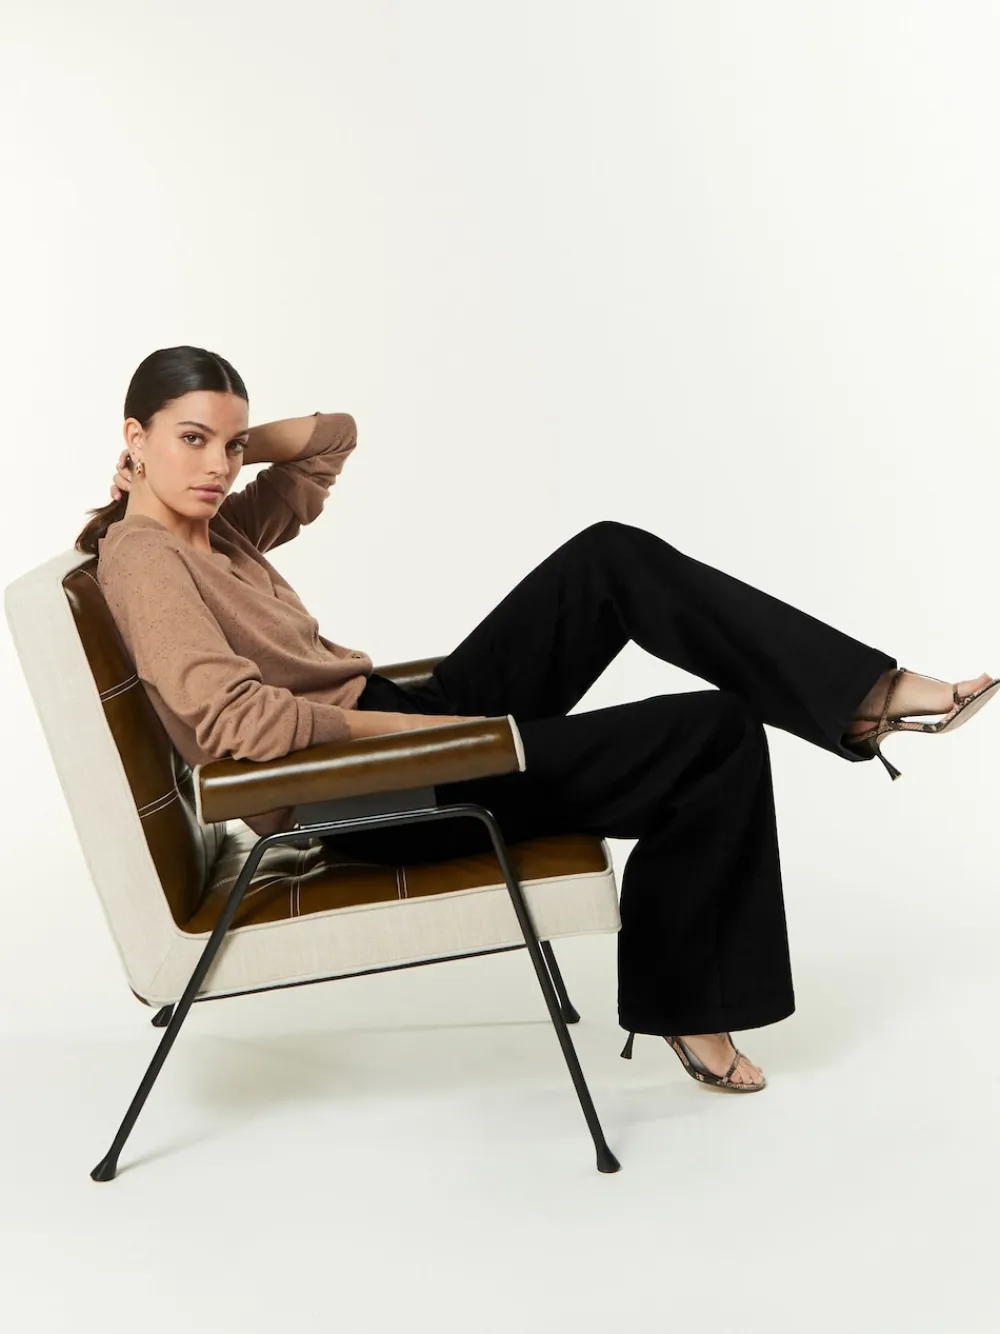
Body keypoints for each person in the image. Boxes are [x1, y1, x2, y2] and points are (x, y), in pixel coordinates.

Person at [77, 345, 999, 1095]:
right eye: (192, 440)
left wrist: (228, 443)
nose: (218, 466)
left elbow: (331, 440)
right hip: (370, 788)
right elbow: (240, 725)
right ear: (134, 436)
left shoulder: (217, 529)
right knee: (712, 732)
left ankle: (867, 695)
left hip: (400, 724)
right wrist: (428, 739)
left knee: (610, 559)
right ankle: (690, 1006)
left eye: (230, 445)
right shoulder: (148, 560)